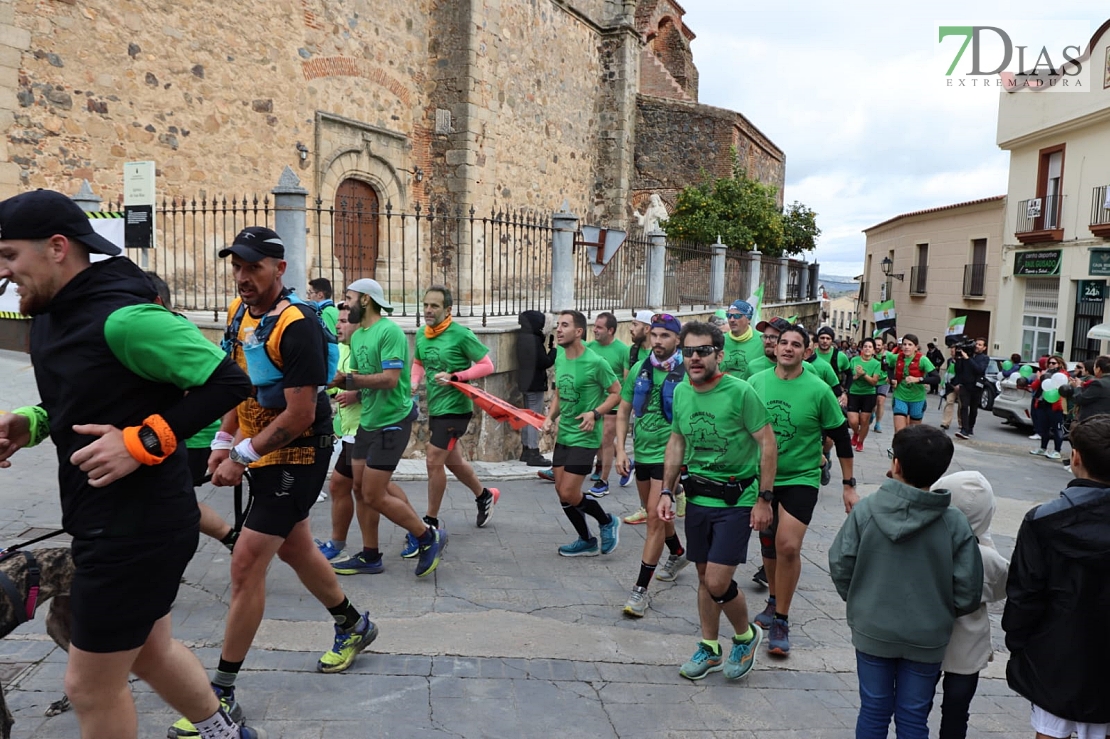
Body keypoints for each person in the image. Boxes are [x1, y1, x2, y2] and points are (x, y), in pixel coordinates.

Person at [0, 190, 264, 739]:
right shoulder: (49, 316)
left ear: (56, 248)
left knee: (90, 687)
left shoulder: (125, 319)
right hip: (107, 518)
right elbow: (87, 398)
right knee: (151, 652)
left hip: (137, 529)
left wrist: (144, 439)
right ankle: (225, 733)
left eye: (8, 256)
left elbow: (231, 382)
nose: (3, 274)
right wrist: (31, 421)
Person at [170, 227, 378, 738]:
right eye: (236, 266)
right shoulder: (239, 315)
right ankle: (354, 624)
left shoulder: (297, 325)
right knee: (296, 548)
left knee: (246, 564)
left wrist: (239, 455)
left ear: (279, 270)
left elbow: (302, 412)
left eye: (252, 267)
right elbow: (234, 386)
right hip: (260, 450)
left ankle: (221, 694)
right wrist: (223, 441)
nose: (242, 276)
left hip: (301, 453)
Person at [829, 425, 983, 739]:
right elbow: (968, 588)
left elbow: (840, 562)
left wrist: (861, 598)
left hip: (873, 626)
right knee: (914, 717)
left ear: (895, 464)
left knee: (873, 709)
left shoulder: (867, 509)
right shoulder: (953, 522)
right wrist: (941, 611)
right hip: (927, 635)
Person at [657, 321, 777, 682]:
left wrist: (764, 499)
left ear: (718, 355)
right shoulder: (680, 391)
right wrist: (667, 489)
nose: (694, 358)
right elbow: (676, 441)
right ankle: (709, 647)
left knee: (717, 581)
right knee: (702, 577)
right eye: (689, 351)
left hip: (736, 498)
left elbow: (767, 443)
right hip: (698, 497)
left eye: (703, 351)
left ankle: (745, 636)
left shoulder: (740, 392)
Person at [747, 324, 857, 656]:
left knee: (788, 546)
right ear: (775, 347)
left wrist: (848, 485)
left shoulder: (818, 390)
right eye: (784, 343)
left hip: (801, 477)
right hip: (760, 478)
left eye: (797, 344)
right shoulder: (755, 383)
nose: (789, 348)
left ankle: (781, 619)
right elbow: (740, 430)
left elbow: (841, 436)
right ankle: (773, 600)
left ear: (807, 352)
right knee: (768, 543)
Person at [329, 278, 448, 576]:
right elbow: (360, 379)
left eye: (349, 297)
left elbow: (390, 379)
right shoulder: (358, 337)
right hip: (367, 422)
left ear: (366, 300)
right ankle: (370, 556)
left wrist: (350, 381)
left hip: (392, 422)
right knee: (358, 488)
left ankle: (425, 536)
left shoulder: (389, 331)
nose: (345, 304)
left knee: (373, 493)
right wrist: (345, 385)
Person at [1003, 414, 1110, 739]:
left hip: (1055, 652)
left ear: (1075, 457)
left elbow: (1024, 594)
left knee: (1049, 730)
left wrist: (1018, 644)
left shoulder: (1043, 520)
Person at [146, 271, 241, 553]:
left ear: (156, 301)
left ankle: (232, 539)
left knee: (169, 500)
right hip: (184, 434)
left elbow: (200, 385)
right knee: (167, 500)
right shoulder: (169, 327)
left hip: (193, 436)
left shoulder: (171, 332)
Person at [614, 313, 689, 617]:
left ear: (677, 340)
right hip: (642, 453)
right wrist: (620, 450)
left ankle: (640, 591)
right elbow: (623, 411)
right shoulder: (639, 369)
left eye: (665, 336)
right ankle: (679, 553)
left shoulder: (688, 371)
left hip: (669, 455)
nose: (658, 341)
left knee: (655, 522)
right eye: (655, 335)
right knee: (655, 511)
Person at [410, 285, 500, 532]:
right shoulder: (422, 334)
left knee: (432, 460)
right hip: (437, 408)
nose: (428, 310)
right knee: (453, 462)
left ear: (448, 309)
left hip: (456, 408)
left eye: (434, 306)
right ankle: (484, 495)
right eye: (426, 304)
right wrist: (414, 382)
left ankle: (430, 520)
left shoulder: (461, 334)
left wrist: (456, 376)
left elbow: (487, 365)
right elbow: (418, 363)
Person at [928, 471, 1009, 739]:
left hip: (924, 642)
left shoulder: (925, 545)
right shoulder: (986, 557)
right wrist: (983, 537)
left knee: (917, 705)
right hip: (968, 648)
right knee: (957, 711)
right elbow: (1001, 587)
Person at [539, 310, 623, 557]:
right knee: (561, 491)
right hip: (564, 435)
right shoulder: (561, 358)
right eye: (558, 325)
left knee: (568, 492)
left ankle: (607, 520)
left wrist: (594, 413)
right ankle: (586, 539)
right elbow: (559, 394)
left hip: (585, 437)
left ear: (578, 332)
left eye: (564, 325)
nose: (559, 330)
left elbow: (616, 392)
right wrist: (549, 417)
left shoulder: (596, 362)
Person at [314, 303, 360, 561]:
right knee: (341, 487)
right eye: (338, 320)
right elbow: (333, 383)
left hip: (367, 428)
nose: (337, 325)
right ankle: (337, 544)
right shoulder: (341, 348)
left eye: (343, 321)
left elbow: (389, 385)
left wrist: (358, 393)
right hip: (348, 429)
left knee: (374, 494)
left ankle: (423, 533)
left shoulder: (366, 349)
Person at [585, 311, 629, 495]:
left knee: (606, 440)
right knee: (597, 440)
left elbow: (626, 381)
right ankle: (627, 462)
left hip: (614, 403)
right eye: (594, 326)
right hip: (594, 403)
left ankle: (603, 481)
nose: (594, 330)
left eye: (599, 327)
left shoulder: (623, 350)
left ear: (610, 330)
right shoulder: (589, 348)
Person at [516, 310, 555, 467]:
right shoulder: (532, 340)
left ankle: (526, 450)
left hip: (526, 382)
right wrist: (554, 351)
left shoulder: (523, 336)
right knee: (533, 419)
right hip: (534, 383)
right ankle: (533, 452)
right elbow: (544, 362)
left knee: (527, 417)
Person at [886, 334, 936, 432]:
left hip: (917, 398)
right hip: (900, 396)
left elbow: (936, 378)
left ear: (916, 347)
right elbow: (889, 367)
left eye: (910, 344)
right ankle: (897, 447)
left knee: (914, 433)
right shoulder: (896, 358)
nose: (906, 347)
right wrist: (892, 379)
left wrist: (918, 380)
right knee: (899, 430)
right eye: (904, 344)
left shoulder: (923, 360)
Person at [1028, 356, 1068, 461]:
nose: (1051, 365)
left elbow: (1062, 387)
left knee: (1057, 428)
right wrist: (1040, 378)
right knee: (1043, 427)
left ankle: (1057, 450)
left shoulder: (1062, 374)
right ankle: (1043, 448)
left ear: (1059, 364)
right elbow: (1034, 386)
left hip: (1055, 406)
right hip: (1042, 403)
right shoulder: (1044, 373)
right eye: (1049, 362)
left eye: (1054, 363)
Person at [846, 337, 882, 452]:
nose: (867, 349)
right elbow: (850, 378)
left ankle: (860, 442)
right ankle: (856, 433)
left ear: (873, 350)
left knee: (864, 420)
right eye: (865, 346)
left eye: (870, 347)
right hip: (854, 393)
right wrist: (857, 375)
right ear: (862, 348)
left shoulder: (876, 364)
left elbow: (874, 382)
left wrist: (863, 374)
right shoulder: (854, 360)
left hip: (869, 394)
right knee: (853, 421)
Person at [953, 337, 989, 439]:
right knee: (964, 406)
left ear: (984, 347)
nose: (977, 346)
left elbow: (979, 370)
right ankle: (964, 429)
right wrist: (958, 359)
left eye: (980, 345)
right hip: (965, 385)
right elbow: (959, 370)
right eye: (976, 344)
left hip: (976, 386)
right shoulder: (967, 355)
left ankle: (970, 427)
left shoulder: (984, 358)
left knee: (973, 409)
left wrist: (968, 359)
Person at [720, 299, 765, 380]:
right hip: (725, 390)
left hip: (750, 390)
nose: (732, 320)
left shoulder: (763, 340)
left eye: (737, 316)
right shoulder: (720, 340)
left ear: (749, 319)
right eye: (729, 315)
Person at [1061, 355, 1110, 421]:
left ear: (1098, 369)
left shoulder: (1098, 384)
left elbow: (1080, 399)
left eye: (1094, 366)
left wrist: (1078, 386)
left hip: (1093, 422)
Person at [939, 344, 961, 432]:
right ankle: (946, 423)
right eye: (951, 348)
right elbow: (948, 373)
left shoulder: (962, 360)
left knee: (961, 405)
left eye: (954, 349)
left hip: (960, 386)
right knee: (949, 402)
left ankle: (961, 422)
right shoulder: (949, 361)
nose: (952, 350)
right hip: (950, 386)